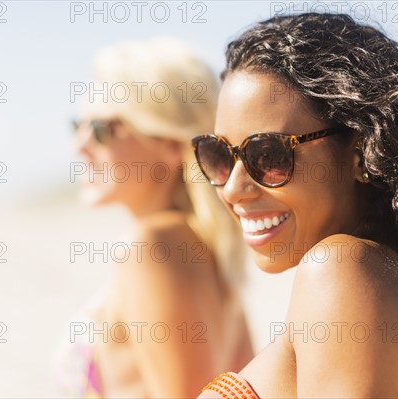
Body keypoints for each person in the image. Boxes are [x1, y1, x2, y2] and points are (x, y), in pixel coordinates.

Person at [193, 13, 398, 398]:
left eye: (268, 154)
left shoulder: (343, 272)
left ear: (360, 153)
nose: (234, 188)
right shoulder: (369, 280)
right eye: (218, 154)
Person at [56, 37, 254, 398]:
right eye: (78, 126)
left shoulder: (152, 247)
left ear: (171, 144)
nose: (79, 145)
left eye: (102, 130)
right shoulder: (208, 255)